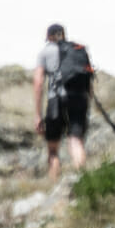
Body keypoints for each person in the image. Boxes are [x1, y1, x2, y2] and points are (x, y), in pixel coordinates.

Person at [33, 23, 90, 180]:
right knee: (75, 139)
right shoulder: (77, 50)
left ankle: (53, 186)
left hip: (55, 101)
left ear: (49, 37)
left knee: (53, 148)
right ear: (63, 35)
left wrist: (37, 115)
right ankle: (83, 179)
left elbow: (38, 82)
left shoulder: (45, 52)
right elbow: (88, 81)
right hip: (79, 98)